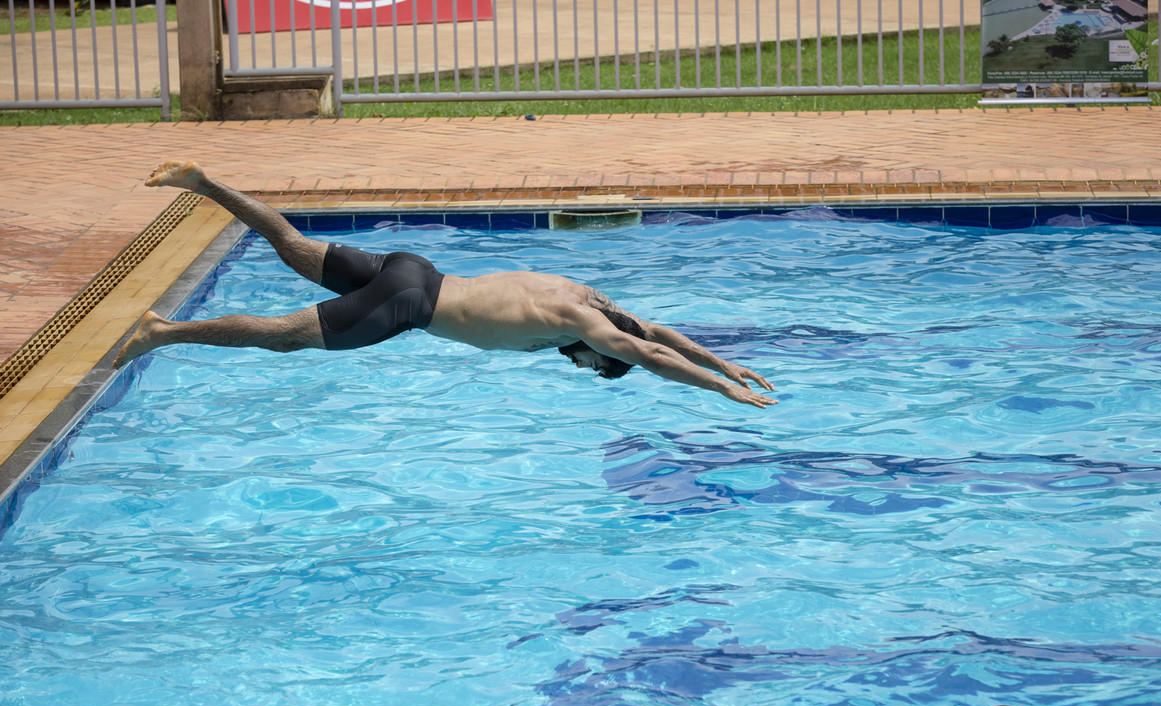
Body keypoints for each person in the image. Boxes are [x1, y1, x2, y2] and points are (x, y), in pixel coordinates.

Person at [115, 162, 777, 408]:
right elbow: (650, 351)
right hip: (408, 304)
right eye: (596, 365)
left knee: (291, 245)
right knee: (284, 337)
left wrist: (726, 362)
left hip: (414, 268)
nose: (582, 366)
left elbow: (652, 330)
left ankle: (204, 184)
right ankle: (162, 333)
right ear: (604, 349)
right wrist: (721, 388)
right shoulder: (585, 326)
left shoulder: (586, 295)